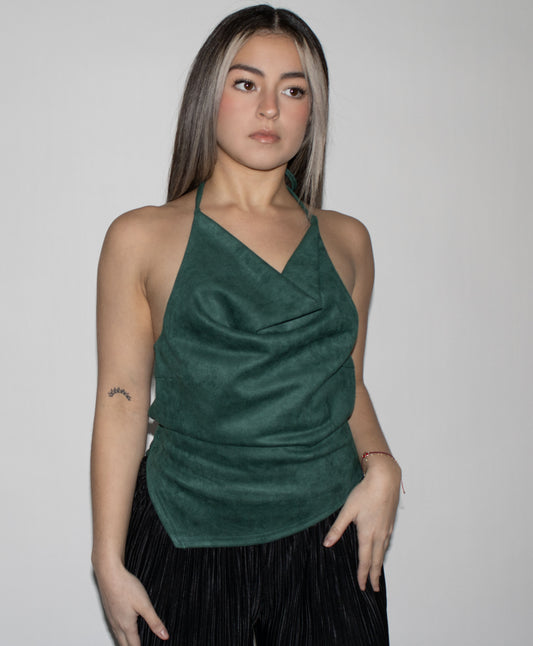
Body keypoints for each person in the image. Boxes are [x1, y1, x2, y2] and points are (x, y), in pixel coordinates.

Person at [91, 5, 402, 646]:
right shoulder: (141, 236)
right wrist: (108, 561)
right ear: (209, 95)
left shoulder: (348, 240)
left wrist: (383, 467)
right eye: (246, 83)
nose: (269, 109)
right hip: (183, 536)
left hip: (331, 535)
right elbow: (121, 402)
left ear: (312, 112)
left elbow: (347, 382)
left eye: (293, 90)